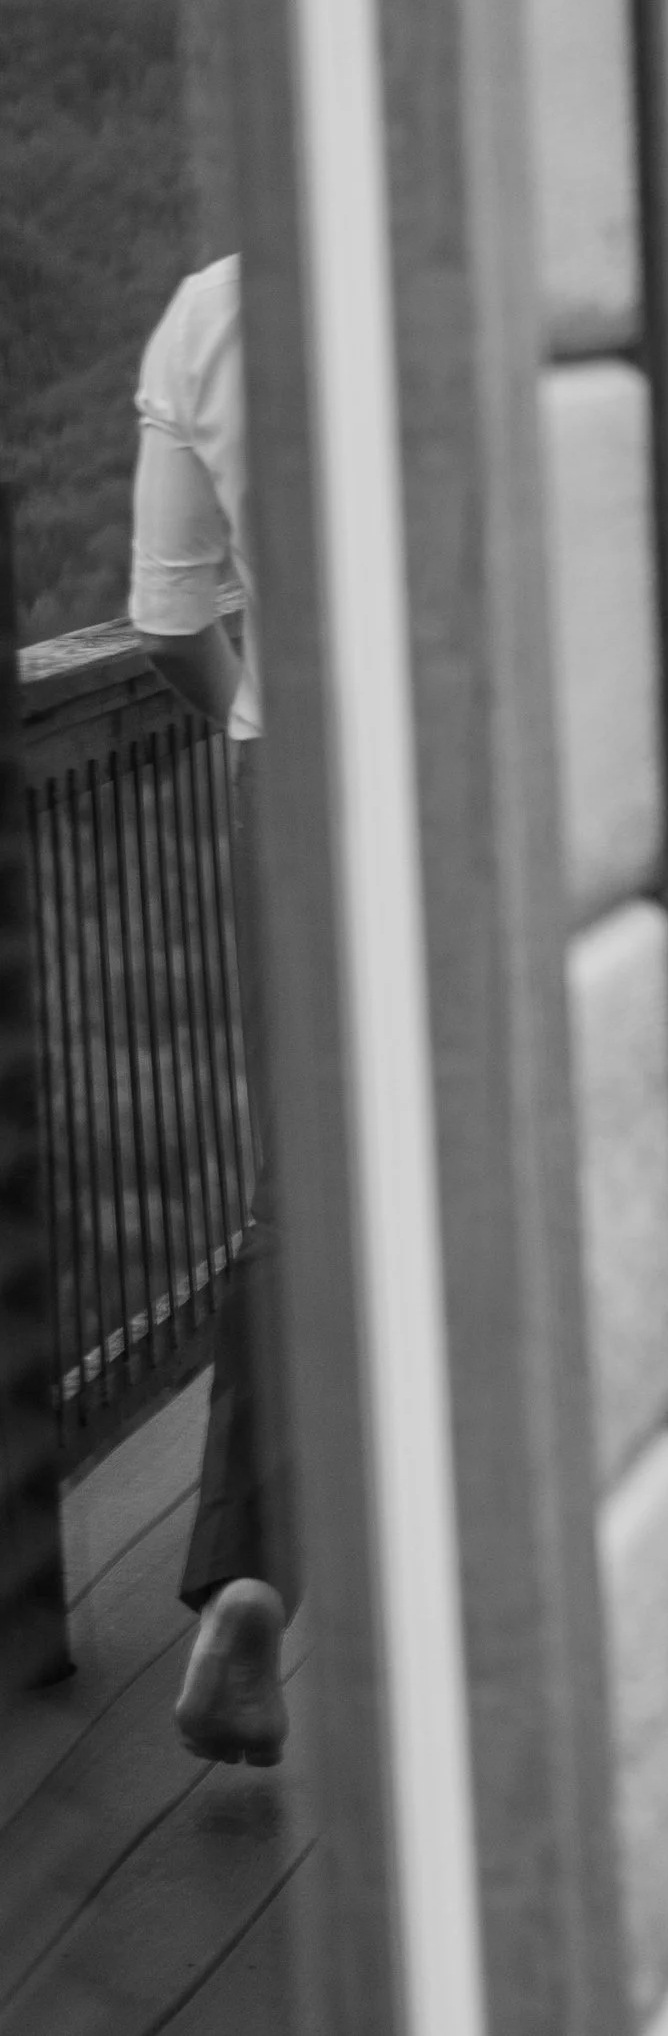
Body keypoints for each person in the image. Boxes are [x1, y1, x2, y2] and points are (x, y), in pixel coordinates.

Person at [129, 253, 288, 1763]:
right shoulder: (493, 269)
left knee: (300, 1181)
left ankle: (249, 1568)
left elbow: (168, 613)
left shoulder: (210, 313)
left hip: (285, 766)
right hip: (491, 767)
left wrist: (265, 711)